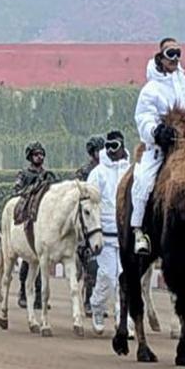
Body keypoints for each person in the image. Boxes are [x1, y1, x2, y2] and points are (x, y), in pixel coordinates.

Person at [131, 38, 185, 255]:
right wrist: (157, 132)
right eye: (170, 54)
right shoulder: (150, 90)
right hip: (161, 149)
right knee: (143, 182)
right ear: (160, 58)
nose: (174, 58)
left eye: (177, 53)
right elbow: (143, 118)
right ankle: (139, 231)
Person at [86, 130, 132, 335]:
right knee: (107, 276)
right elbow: (89, 205)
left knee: (125, 278)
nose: (112, 150)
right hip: (104, 234)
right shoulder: (97, 173)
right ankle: (97, 306)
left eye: (116, 146)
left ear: (122, 146)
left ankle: (124, 320)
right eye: (109, 146)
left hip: (126, 235)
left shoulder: (131, 170)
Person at [13, 141, 57, 309]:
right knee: (28, 260)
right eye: (36, 154)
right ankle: (23, 293)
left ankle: (40, 296)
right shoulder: (24, 174)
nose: (40, 157)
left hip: (45, 220)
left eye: (41, 154)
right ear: (30, 157)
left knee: (43, 261)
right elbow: (16, 192)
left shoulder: (48, 175)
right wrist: (32, 188)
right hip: (28, 218)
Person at [74, 135, 106, 315]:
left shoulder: (109, 170)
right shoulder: (83, 173)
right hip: (87, 226)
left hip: (103, 223)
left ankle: (98, 302)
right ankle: (88, 301)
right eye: (98, 150)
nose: (101, 153)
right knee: (91, 266)